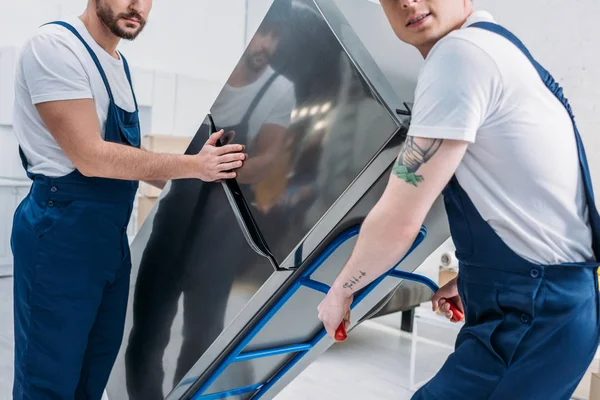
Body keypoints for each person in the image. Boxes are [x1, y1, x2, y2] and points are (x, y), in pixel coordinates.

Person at [317, 1, 600, 399]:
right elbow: (528, 201)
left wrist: (342, 290)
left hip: (532, 316)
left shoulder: (459, 56)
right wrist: (477, 281)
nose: (407, 2)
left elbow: (401, 217)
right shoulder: (496, 47)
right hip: (551, 309)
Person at [10, 0, 246, 398]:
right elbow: (90, 156)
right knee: (48, 380)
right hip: (60, 236)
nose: (138, 5)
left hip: (109, 243)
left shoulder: (118, 64)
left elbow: (130, 166)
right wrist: (192, 165)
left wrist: (204, 180)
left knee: (93, 370)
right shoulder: (54, 47)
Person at [123, 9, 296, 399]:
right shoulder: (210, 82)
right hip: (172, 223)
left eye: (275, 37)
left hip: (223, 232)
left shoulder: (279, 90)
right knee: (147, 331)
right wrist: (193, 166)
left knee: (202, 338)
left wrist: (215, 166)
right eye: (262, 34)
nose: (266, 45)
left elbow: (268, 160)